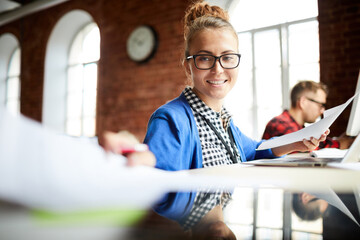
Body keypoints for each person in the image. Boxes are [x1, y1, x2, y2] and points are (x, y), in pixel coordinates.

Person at [140, 1, 328, 237]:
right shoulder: (170, 120)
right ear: (188, 66)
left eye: (227, 57)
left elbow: (254, 149)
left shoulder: (224, 121)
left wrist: (296, 143)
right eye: (205, 58)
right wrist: (206, 218)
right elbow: (158, 190)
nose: (218, 69)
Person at [262, 80, 354, 149]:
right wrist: (339, 144)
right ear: (303, 102)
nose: (322, 110)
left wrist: (338, 141)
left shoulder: (299, 127)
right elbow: (304, 148)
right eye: (320, 105)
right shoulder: (279, 123)